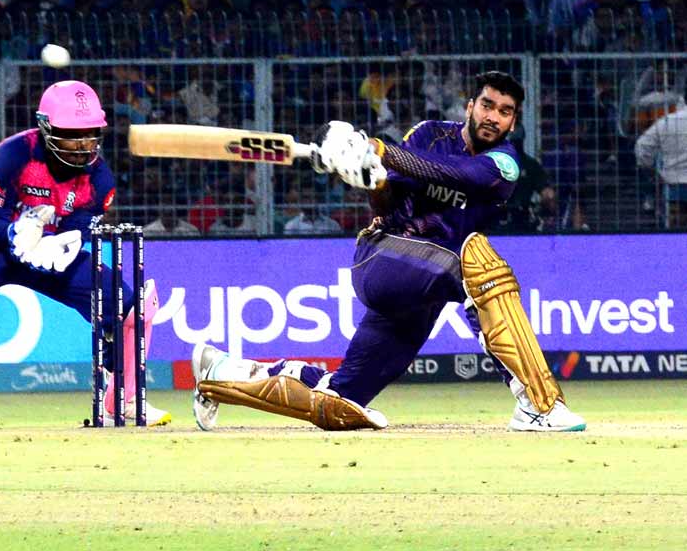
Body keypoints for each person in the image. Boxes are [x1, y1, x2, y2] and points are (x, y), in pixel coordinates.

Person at [192, 71, 586, 433]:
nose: (493, 117)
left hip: (426, 288)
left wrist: (378, 149)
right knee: (476, 257)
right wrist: (370, 178)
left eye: (504, 112)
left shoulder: (505, 163)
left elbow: (456, 175)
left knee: (340, 399)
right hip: (384, 258)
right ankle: (539, 404)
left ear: (513, 122)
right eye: (487, 105)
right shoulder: (430, 134)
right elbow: (385, 203)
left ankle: (221, 372)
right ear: (470, 106)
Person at [0, 80, 171, 431]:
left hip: (47, 252)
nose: (83, 145)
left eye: (90, 134)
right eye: (72, 134)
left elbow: (82, 225)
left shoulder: (100, 179)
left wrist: (66, 243)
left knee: (130, 306)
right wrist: (13, 233)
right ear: (47, 128)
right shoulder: (15, 153)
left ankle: (124, 401)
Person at [635, 88, 687, 228]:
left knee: (677, 229)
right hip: (675, 184)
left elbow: (641, 146)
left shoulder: (667, 121)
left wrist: (651, 171)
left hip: (675, 184)